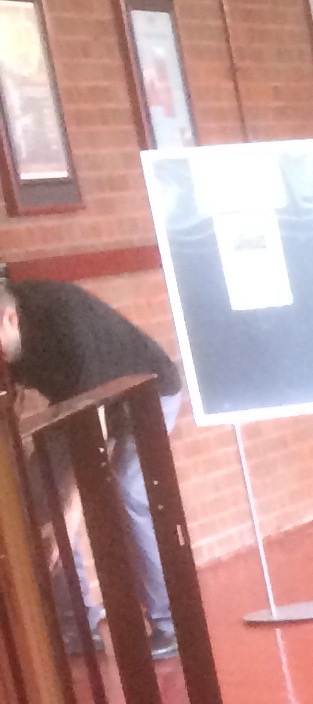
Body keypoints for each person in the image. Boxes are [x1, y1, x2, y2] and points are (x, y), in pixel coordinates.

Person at [0, 263, 185, 657]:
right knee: (41, 496)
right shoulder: (8, 324)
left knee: (129, 493)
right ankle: (79, 627)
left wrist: (68, 518)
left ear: (10, 319)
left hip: (145, 394)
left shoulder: (66, 325)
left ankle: (172, 624)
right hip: (75, 403)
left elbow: (92, 442)